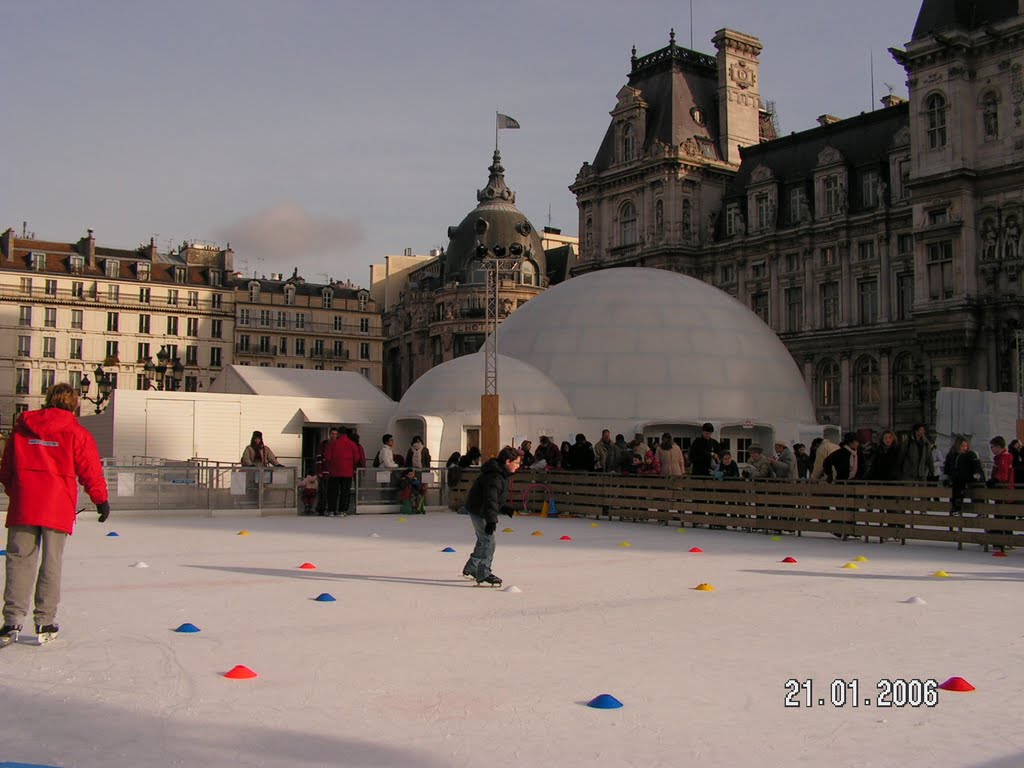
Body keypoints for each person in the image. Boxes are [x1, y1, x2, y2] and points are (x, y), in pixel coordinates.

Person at [1, 383, 110, 646]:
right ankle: (44, 620)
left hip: (25, 503)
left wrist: (16, 490)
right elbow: (89, 469)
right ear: (73, 404)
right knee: (51, 562)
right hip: (57, 505)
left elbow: (6, 466)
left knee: (19, 560)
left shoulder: (22, 428)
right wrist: (101, 500)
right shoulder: (75, 432)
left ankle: (11, 621)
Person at [459, 446, 522, 587]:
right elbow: (490, 499)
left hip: (478, 508)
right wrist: (491, 521)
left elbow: (494, 498)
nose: (518, 466)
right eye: (516, 463)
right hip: (479, 510)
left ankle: (472, 567)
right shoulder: (495, 476)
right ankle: (483, 573)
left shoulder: (500, 473)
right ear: (507, 461)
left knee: (483, 540)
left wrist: (503, 508)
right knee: (489, 541)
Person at [322, 426, 358, 516]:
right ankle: (342, 510)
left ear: (339, 433)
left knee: (333, 492)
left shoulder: (333, 444)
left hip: (334, 472)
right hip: (347, 472)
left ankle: (331, 510)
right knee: (345, 492)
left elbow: (327, 457)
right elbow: (356, 458)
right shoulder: (352, 444)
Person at [949, 437, 984, 514]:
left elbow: (976, 465)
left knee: (976, 494)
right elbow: (949, 467)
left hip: (970, 479)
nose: (965, 448)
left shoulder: (970, 454)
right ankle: (956, 507)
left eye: (966, 446)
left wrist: (976, 474)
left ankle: (981, 512)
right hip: (959, 480)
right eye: (962, 446)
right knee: (957, 490)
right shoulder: (953, 455)